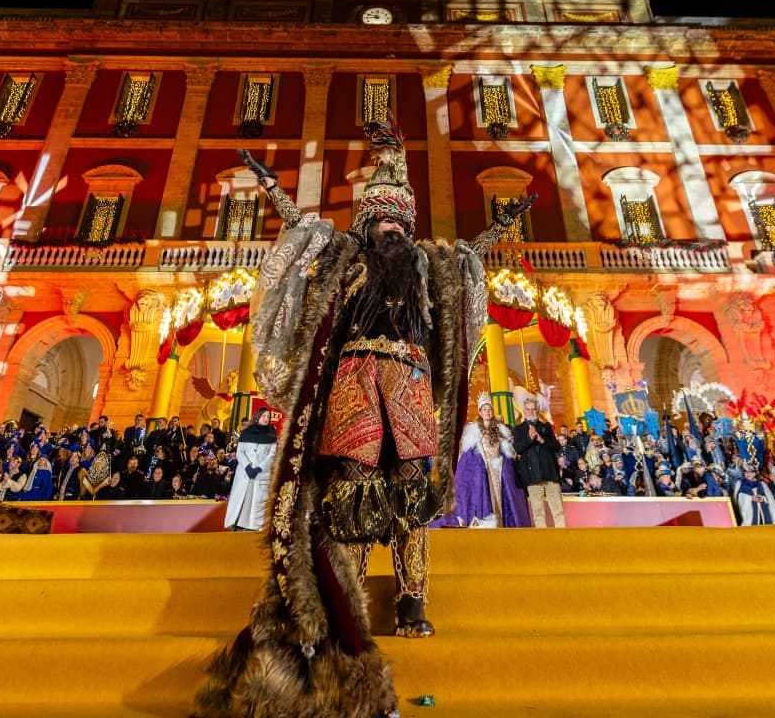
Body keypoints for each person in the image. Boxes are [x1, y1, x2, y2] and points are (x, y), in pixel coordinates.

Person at [194, 121, 530, 718]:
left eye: (400, 222)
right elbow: (300, 227)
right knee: (351, 494)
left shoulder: (425, 267)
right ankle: (348, 607)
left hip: (411, 385)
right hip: (353, 383)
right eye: (382, 221)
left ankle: (413, 600)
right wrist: (270, 188)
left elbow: (468, 261)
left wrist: (498, 229)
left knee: (412, 494)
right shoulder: (344, 260)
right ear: (367, 225)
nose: (392, 230)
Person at [444, 393, 530, 528]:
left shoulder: (500, 430)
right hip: (484, 471)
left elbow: (506, 450)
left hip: (499, 471)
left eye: (489, 409)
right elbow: (469, 458)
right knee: (486, 497)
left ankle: (501, 524)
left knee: (501, 498)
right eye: (484, 409)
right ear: (480, 412)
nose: (487, 412)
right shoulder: (474, 431)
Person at [514, 397, 567, 528]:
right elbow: (517, 448)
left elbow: (556, 447)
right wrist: (529, 438)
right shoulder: (519, 429)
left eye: (533, 409)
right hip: (533, 478)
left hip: (550, 476)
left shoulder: (546, 427)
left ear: (537, 411)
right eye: (528, 409)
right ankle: (542, 539)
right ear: (524, 411)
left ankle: (563, 538)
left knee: (558, 511)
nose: (531, 412)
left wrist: (541, 440)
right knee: (538, 513)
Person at [225, 407, 278, 532]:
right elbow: (240, 452)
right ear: (257, 417)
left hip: (261, 474)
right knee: (242, 499)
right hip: (245, 473)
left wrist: (259, 468)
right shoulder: (246, 433)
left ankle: (253, 527)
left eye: (268, 417)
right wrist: (248, 467)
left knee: (256, 501)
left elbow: (271, 455)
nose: (266, 418)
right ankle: (237, 524)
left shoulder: (271, 435)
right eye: (264, 416)